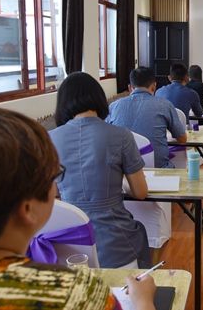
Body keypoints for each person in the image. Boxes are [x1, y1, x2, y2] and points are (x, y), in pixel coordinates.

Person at [0, 106, 156, 310]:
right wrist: (144, 302)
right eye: (54, 175)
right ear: (27, 209)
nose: (56, 188)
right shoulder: (75, 294)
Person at [49, 72, 151, 269]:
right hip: (116, 243)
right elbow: (140, 192)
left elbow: (53, 195)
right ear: (98, 98)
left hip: (69, 246)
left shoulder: (49, 139)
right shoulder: (122, 135)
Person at [108, 66, 187, 168]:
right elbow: (182, 139)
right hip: (158, 170)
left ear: (130, 87)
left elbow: (107, 137)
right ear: (154, 86)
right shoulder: (165, 105)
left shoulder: (113, 106)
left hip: (122, 171)